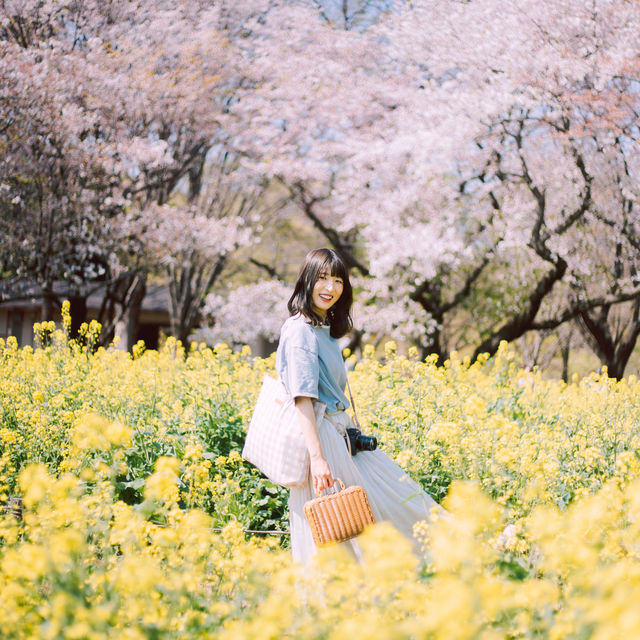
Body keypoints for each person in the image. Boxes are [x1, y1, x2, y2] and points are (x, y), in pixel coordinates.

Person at [275, 248, 439, 564]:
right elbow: (302, 398)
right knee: (341, 527)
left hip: (342, 434)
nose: (330, 288)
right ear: (307, 279)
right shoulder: (299, 330)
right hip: (322, 440)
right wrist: (318, 459)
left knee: (388, 505)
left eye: (338, 280)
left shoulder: (322, 328)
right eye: (322, 278)